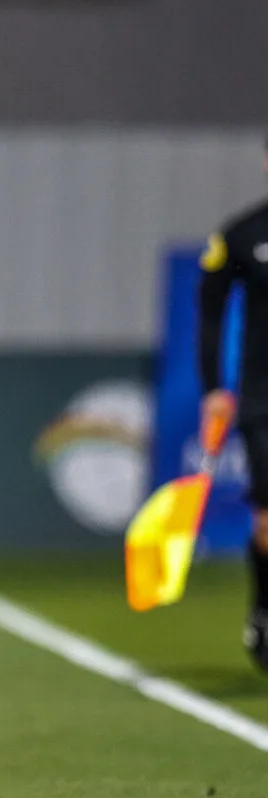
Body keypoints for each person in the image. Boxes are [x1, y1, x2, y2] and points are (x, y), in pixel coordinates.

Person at [198, 137, 268, 672]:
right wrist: (214, 388)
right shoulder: (244, 235)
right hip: (262, 400)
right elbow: (211, 308)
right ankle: (264, 608)